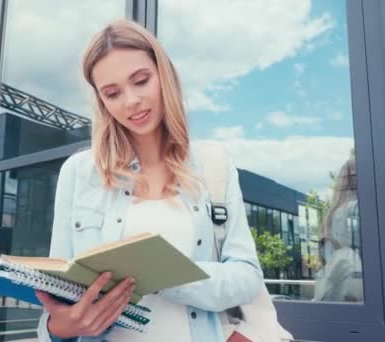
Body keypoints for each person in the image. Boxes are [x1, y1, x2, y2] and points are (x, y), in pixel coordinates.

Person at [35, 19, 263, 342]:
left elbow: (247, 276)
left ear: (163, 75)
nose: (130, 102)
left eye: (141, 81)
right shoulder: (78, 173)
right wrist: (59, 328)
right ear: (101, 102)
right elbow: (58, 301)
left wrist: (163, 275)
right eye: (112, 93)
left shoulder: (215, 166)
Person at [313, 155, 363, 302]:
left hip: (334, 287)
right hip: (350, 287)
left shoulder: (334, 212)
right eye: (355, 175)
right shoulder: (354, 209)